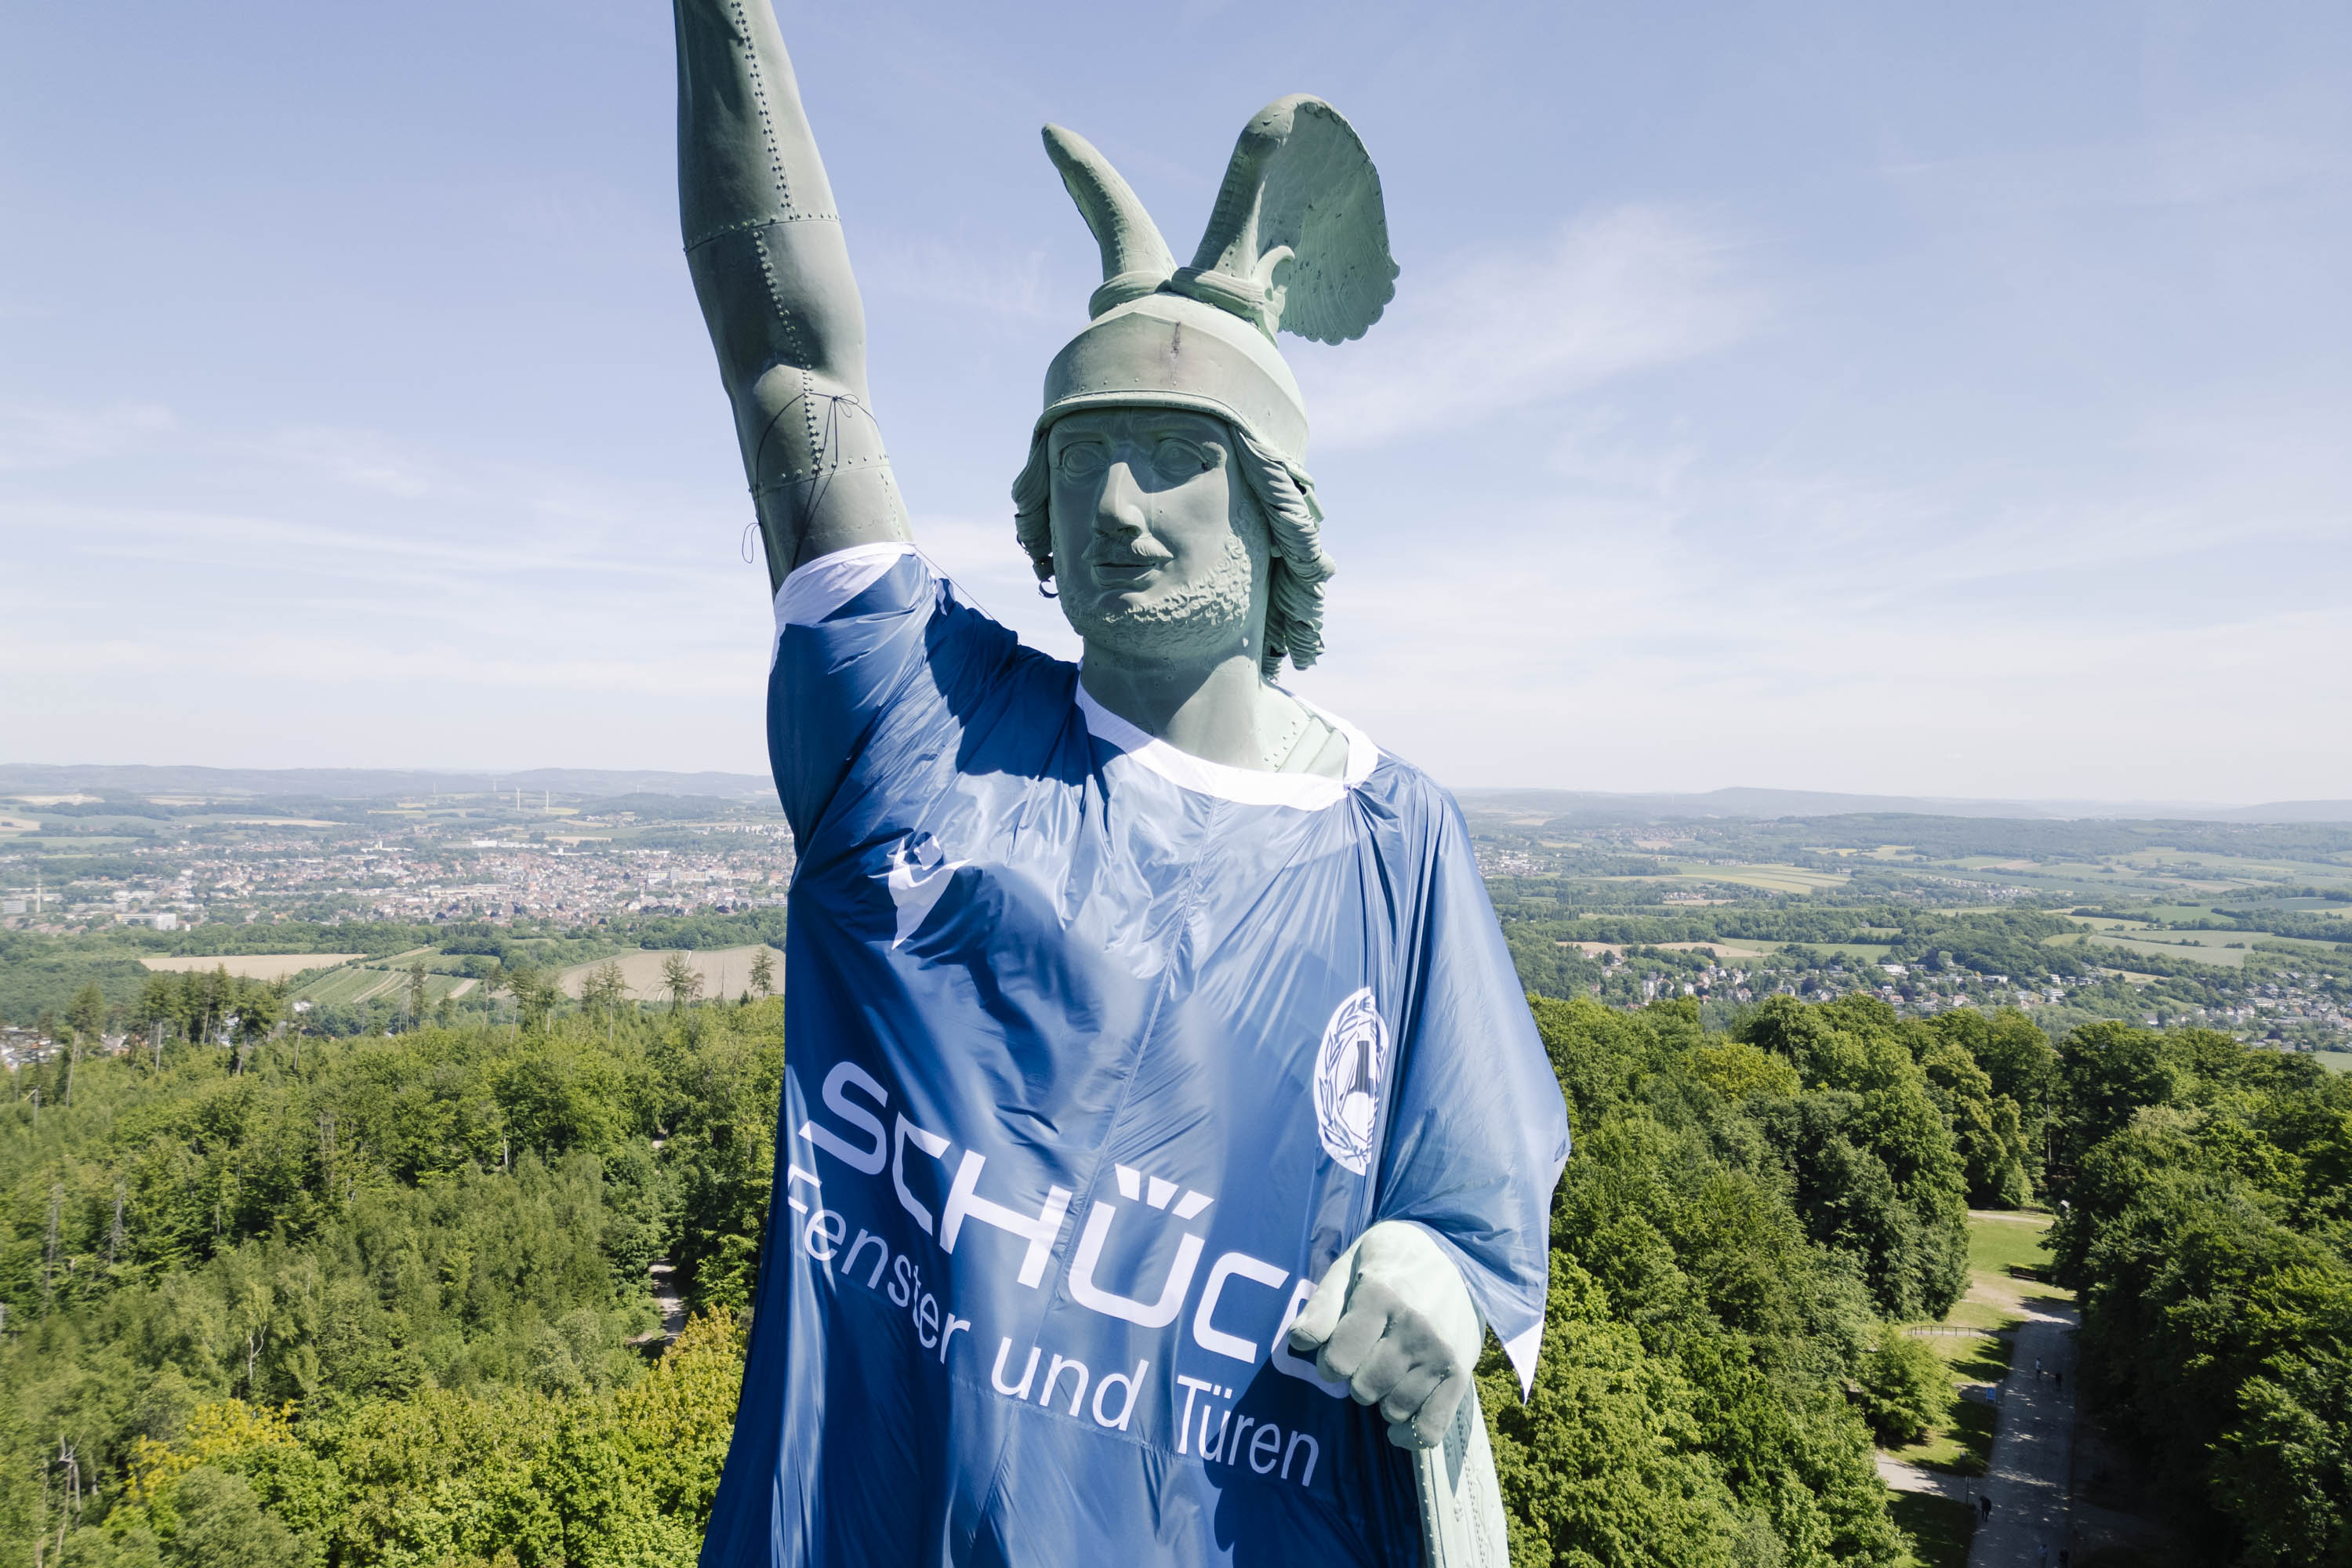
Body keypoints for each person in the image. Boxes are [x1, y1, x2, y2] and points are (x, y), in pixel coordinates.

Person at [670, 3, 1570, 1564]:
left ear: (1276, 511)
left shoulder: (1393, 839)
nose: (1118, 506)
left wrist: (1434, 1279)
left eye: (1172, 455)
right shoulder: (919, 724)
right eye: (1082, 458)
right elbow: (789, 359)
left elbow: (1471, 1193)